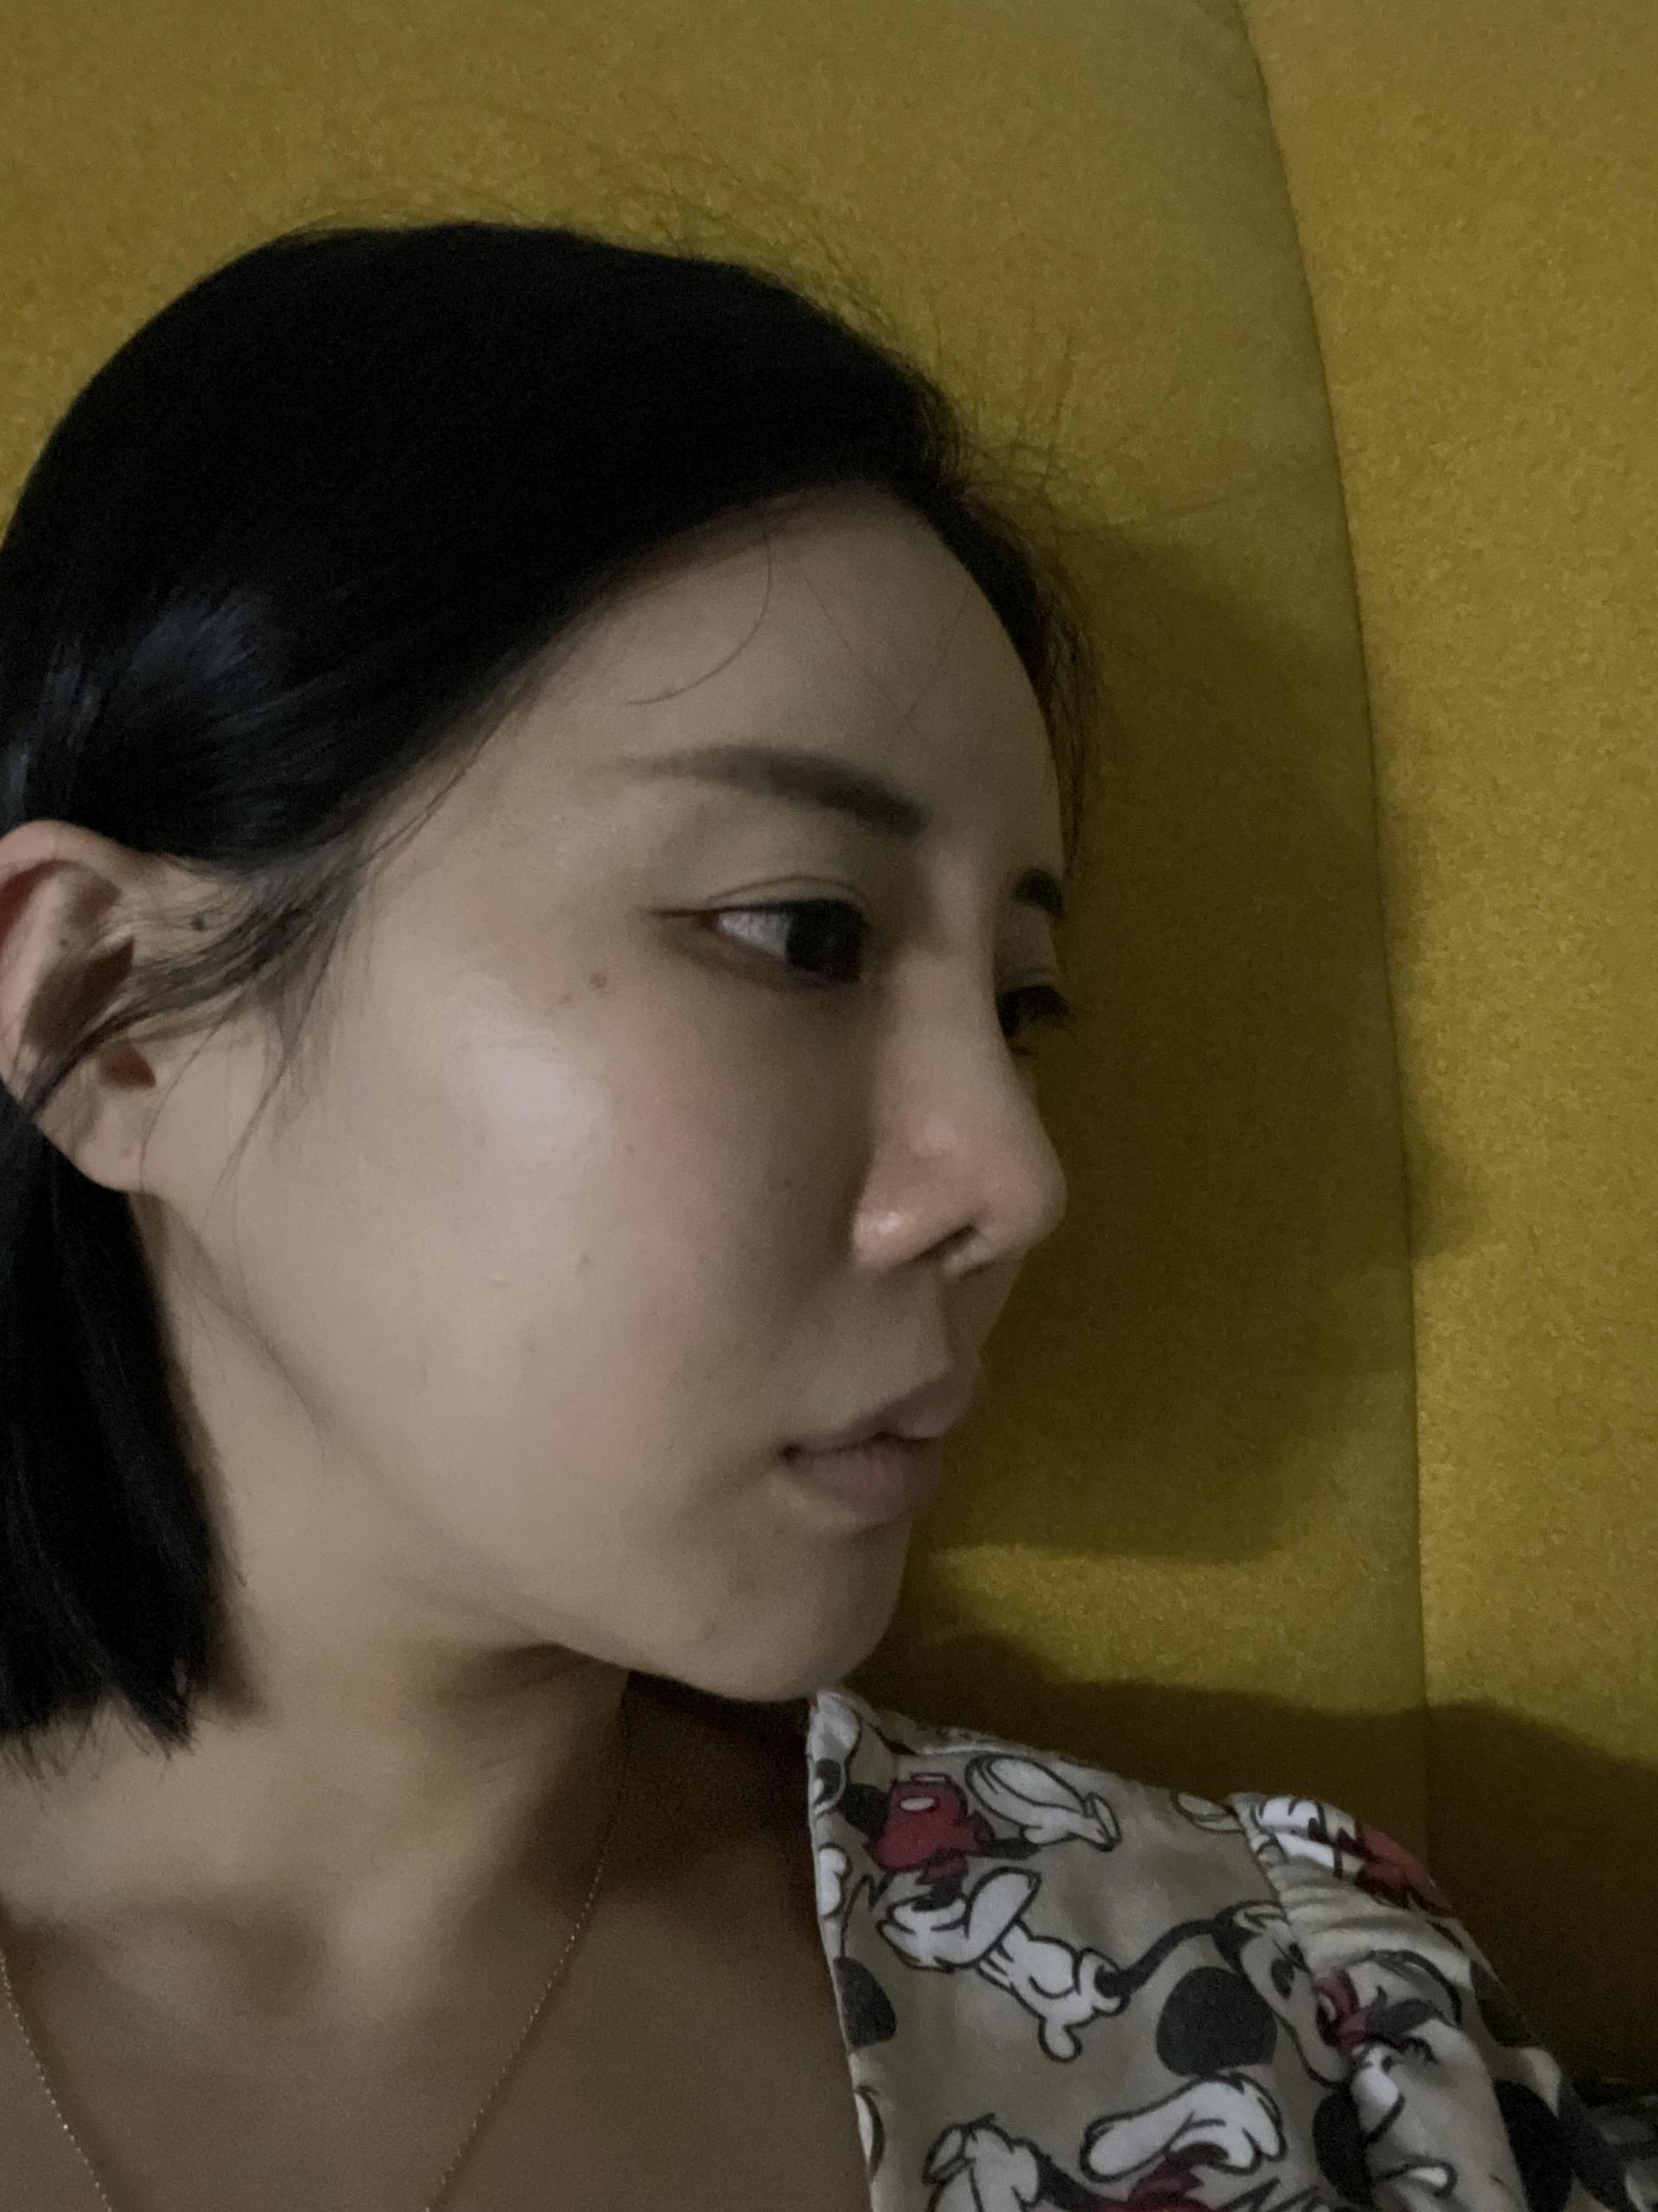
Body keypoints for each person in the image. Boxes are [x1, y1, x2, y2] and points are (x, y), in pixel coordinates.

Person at [0, 217, 1648, 2212]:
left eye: (1022, 1009)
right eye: (800, 932)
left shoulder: (1271, 2036)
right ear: (112, 1019)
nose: (1021, 1181)